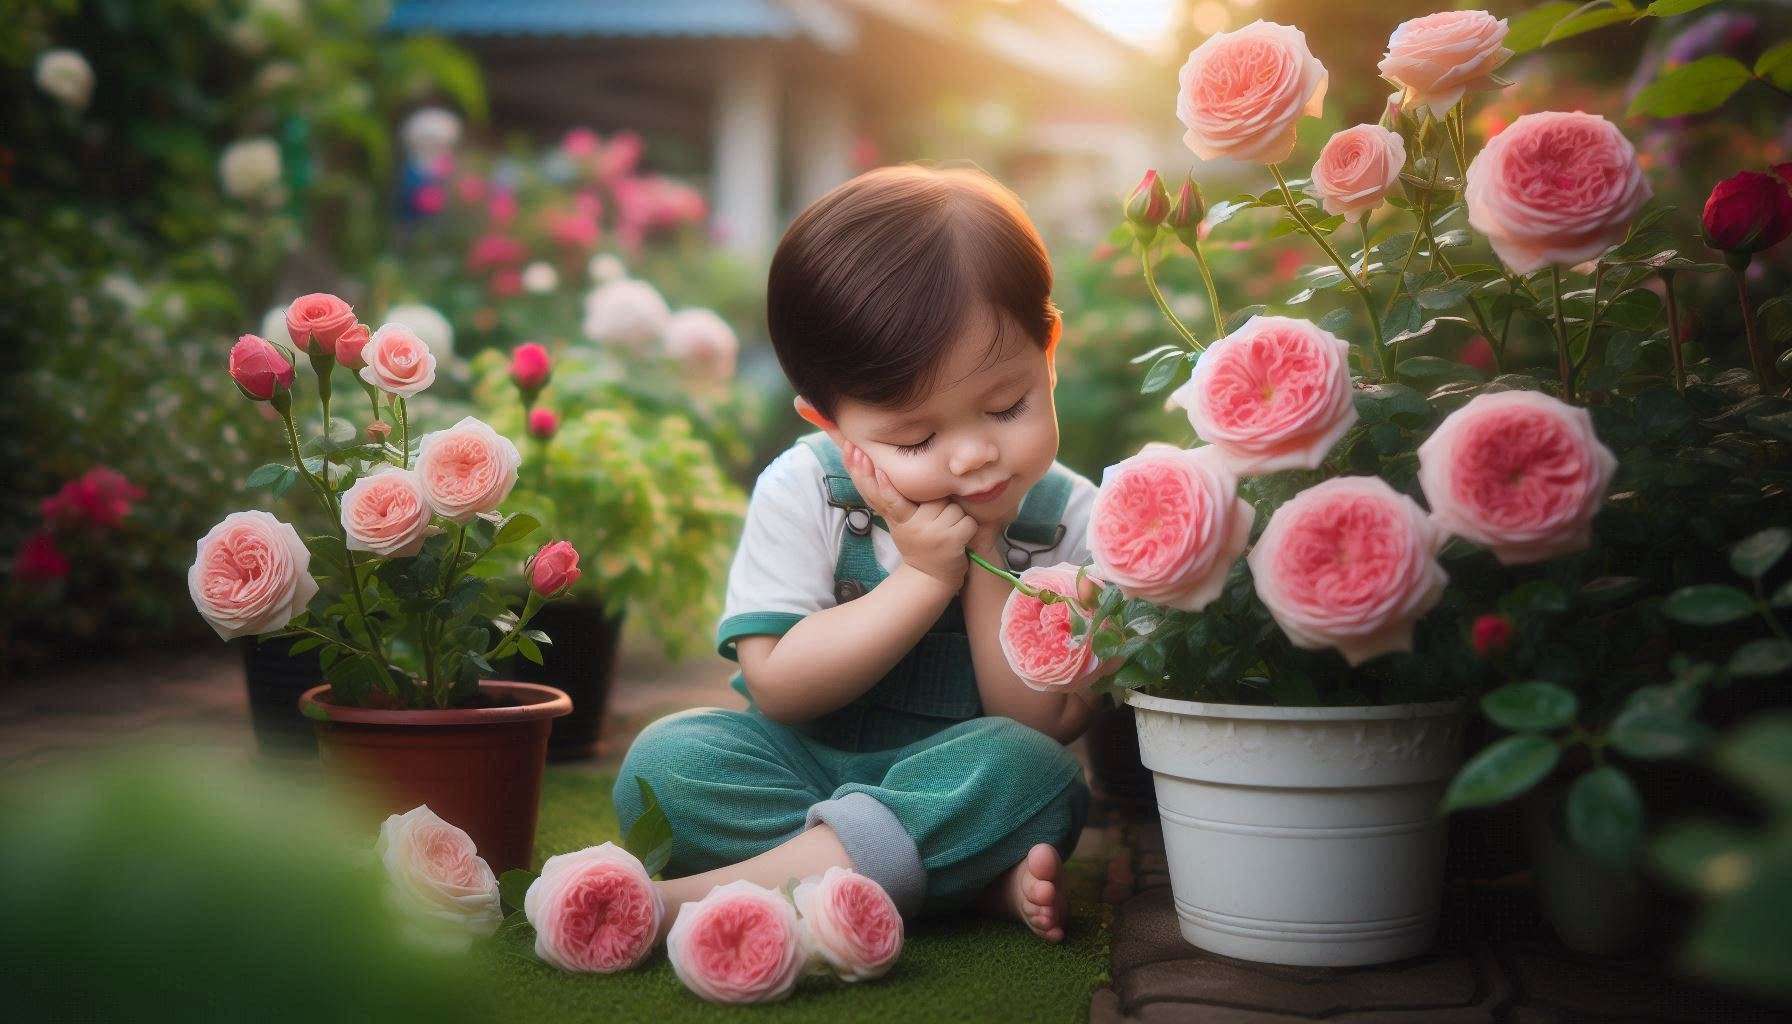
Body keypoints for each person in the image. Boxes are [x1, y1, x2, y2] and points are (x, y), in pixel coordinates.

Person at [615, 165, 1111, 946]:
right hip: (804, 766)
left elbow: (1038, 718)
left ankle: (714, 896)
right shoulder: (807, 486)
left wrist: (983, 554)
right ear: (832, 425)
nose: (975, 456)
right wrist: (920, 577)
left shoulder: (1070, 516)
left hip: (961, 780)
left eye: (1007, 405)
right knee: (666, 761)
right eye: (917, 438)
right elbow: (777, 687)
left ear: (1048, 350)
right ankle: (947, 884)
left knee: (1036, 773)